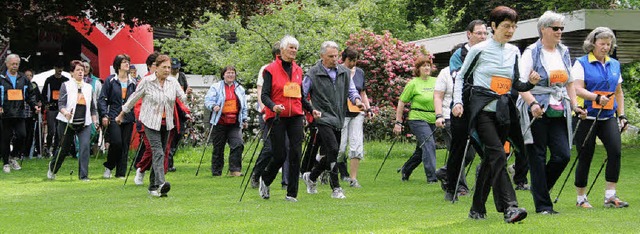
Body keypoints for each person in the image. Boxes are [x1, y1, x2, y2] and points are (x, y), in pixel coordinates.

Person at [451, 6, 540, 223]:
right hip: (482, 111)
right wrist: (457, 102)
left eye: (514, 27)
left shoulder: (514, 51)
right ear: (493, 26)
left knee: (492, 161)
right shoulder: (478, 50)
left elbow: (516, 83)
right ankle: (510, 208)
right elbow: (461, 77)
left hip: (503, 112)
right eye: (506, 26)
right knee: (498, 155)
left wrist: (530, 83)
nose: (511, 31)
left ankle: (477, 208)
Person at [516, 11, 586, 214]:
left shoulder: (563, 51)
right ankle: (544, 206)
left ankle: (539, 189)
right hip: (537, 109)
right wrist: (532, 104)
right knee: (537, 156)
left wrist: (574, 105)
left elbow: (570, 82)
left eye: (562, 28)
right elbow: (521, 84)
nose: (560, 32)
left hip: (559, 108)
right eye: (556, 28)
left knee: (562, 155)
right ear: (543, 29)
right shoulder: (531, 52)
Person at [571, 27, 629, 209]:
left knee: (615, 152)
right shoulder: (581, 63)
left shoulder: (614, 64)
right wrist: (595, 97)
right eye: (602, 43)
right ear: (593, 43)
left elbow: (618, 92)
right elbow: (577, 88)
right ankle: (581, 198)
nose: (605, 47)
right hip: (585, 115)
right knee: (585, 155)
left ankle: (610, 196)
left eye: (608, 44)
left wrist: (622, 115)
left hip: (607, 116)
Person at [116, 54, 187, 197]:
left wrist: (188, 96)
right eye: (164, 67)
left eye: (169, 67)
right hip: (149, 121)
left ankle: (153, 187)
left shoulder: (173, 82)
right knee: (158, 152)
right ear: (156, 67)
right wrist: (122, 114)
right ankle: (161, 183)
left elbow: (182, 98)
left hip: (166, 123)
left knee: (161, 153)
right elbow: (133, 98)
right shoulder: (147, 81)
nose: (167, 70)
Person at [301, 41, 363, 200]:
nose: (334, 59)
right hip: (322, 118)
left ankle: (312, 177)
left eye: (336, 56)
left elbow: (351, 90)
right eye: (330, 56)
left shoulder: (344, 72)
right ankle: (336, 188)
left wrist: (357, 101)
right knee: (334, 149)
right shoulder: (312, 74)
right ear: (322, 56)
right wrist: (310, 110)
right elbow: (302, 95)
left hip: (338, 117)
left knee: (332, 153)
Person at [443, 19, 486, 201]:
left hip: (484, 107)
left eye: (485, 33)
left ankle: (485, 184)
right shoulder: (458, 55)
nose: (483, 37)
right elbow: (460, 78)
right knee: (458, 149)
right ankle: (451, 188)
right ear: (469, 34)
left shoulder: (489, 52)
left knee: (490, 149)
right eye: (479, 33)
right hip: (462, 108)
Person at [258, 35, 305, 201]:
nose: (293, 51)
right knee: (279, 155)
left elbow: (302, 95)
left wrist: (312, 110)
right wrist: (273, 106)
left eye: (295, 48)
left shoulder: (299, 70)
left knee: (296, 154)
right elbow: (264, 95)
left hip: (296, 116)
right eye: (291, 47)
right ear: (282, 49)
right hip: (277, 115)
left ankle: (291, 194)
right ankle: (266, 178)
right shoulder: (270, 70)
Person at [47, 60, 99, 180]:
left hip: (84, 122)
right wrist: (66, 113)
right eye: (78, 70)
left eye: (82, 70)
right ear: (71, 73)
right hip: (67, 122)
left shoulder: (88, 87)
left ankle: (83, 176)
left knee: (85, 146)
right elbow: (61, 104)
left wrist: (95, 121)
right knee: (64, 148)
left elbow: (92, 108)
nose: (81, 72)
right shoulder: (66, 85)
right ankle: (53, 167)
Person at [251, 42, 291, 189]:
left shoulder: (291, 69)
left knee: (286, 147)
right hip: (268, 114)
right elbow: (261, 93)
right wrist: (263, 110)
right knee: (270, 148)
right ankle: (257, 174)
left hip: (286, 115)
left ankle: (286, 181)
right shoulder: (267, 69)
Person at [393, 56, 438, 183]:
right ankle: (432, 178)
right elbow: (402, 102)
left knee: (422, 149)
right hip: (417, 119)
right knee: (429, 145)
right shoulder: (413, 83)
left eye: (428, 65)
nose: (427, 68)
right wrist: (398, 122)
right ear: (418, 69)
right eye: (424, 66)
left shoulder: (436, 81)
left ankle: (406, 169)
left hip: (433, 118)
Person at [336, 47, 372, 188]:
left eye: (355, 60)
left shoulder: (360, 73)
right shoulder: (338, 71)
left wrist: (368, 108)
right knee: (340, 147)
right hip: (342, 113)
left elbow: (362, 93)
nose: (353, 63)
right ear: (344, 59)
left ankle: (353, 179)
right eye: (350, 60)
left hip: (357, 113)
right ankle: (326, 169)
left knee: (356, 145)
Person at [204, 65, 248, 176]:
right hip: (219, 122)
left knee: (238, 144)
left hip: (234, 122)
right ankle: (217, 171)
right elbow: (208, 100)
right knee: (218, 148)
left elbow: (244, 106)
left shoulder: (239, 89)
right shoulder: (216, 87)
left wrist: (244, 119)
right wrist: (213, 106)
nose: (230, 75)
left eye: (232, 73)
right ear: (223, 75)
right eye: (228, 73)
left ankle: (234, 170)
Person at [99, 54, 136, 179]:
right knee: (116, 142)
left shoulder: (133, 82)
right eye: (124, 62)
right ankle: (109, 166)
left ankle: (121, 172)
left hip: (128, 117)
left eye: (128, 62)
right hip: (114, 116)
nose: (127, 64)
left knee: (125, 145)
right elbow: (102, 99)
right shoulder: (110, 81)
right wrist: (104, 114)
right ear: (118, 65)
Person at [1, 54, 40, 172]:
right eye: (12, 64)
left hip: (19, 113)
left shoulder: (23, 79)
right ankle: (6, 163)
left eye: (17, 64)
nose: (14, 66)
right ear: (7, 64)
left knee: (22, 135)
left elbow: (30, 95)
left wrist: (34, 106)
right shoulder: (1, 78)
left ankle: (13, 157)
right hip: (5, 114)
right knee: (5, 138)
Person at [166, 58, 192, 172]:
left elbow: (185, 92)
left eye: (177, 68)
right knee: (169, 136)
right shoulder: (167, 78)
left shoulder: (181, 76)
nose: (175, 70)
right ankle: (168, 163)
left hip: (181, 110)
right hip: (170, 110)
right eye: (173, 68)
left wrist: (188, 94)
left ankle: (170, 159)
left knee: (178, 134)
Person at [42, 62, 69, 157]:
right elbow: (44, 94)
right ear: (54, 67)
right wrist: (46, 104)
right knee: (51, 130)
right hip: (52, 108)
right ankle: (48, 147)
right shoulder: (49, 80)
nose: (59, 69)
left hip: (62, 109)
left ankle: (56, 150)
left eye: (61, 67)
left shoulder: (66, 80)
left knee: (59, 131)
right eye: (58, 67)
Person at [23, 69, 43, 159]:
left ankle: (29, 152)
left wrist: (39, 104)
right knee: (23, 133)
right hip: (22, 112)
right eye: (26, 75)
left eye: (30, 75)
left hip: (31, 112)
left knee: (31, 133)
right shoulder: (21, 85)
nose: (28, 77)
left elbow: (39, 98)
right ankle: (22, 152)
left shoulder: (34, 85)